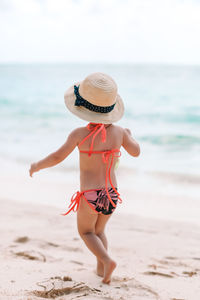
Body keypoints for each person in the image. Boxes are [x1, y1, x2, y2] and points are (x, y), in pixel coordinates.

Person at [29, 72, 140, 284]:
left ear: (83, 109)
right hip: (112, 195)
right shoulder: (119, 133)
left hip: (90, 195)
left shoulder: (80, 134)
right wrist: (129, 134)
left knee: (86, 231)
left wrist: (37, 165)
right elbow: (136, 152)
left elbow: (57, 156)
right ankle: (101, 268)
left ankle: (107, 260)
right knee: (99, 231)